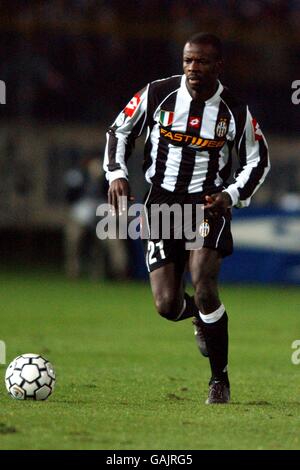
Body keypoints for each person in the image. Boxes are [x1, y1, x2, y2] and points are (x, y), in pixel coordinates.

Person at [103, 33, 270, 404]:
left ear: (218, 66)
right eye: (188, 61)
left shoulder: (234, 110)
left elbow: (259, 160)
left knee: (205, 280)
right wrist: (116, 173)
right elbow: (120, 130)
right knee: (166, 305)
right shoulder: (157, 93)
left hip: (207, 204)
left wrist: (231, 195)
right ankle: (200, 317)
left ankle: (219, 380)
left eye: (202, 62)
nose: (193, 68)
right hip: (161, 202)